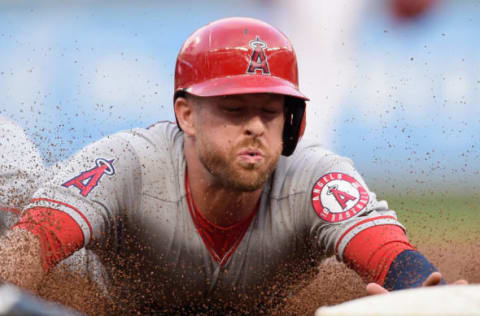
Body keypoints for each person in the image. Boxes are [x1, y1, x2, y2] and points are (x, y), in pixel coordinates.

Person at [0, 17, 466, 314]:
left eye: (269, 111)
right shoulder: (129, 163)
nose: (255, 128)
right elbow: (31, 246)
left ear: (292, 120)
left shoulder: (314, 177)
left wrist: (429, 297)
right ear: (186, 114)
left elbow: (396, 261)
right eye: (233, 109)